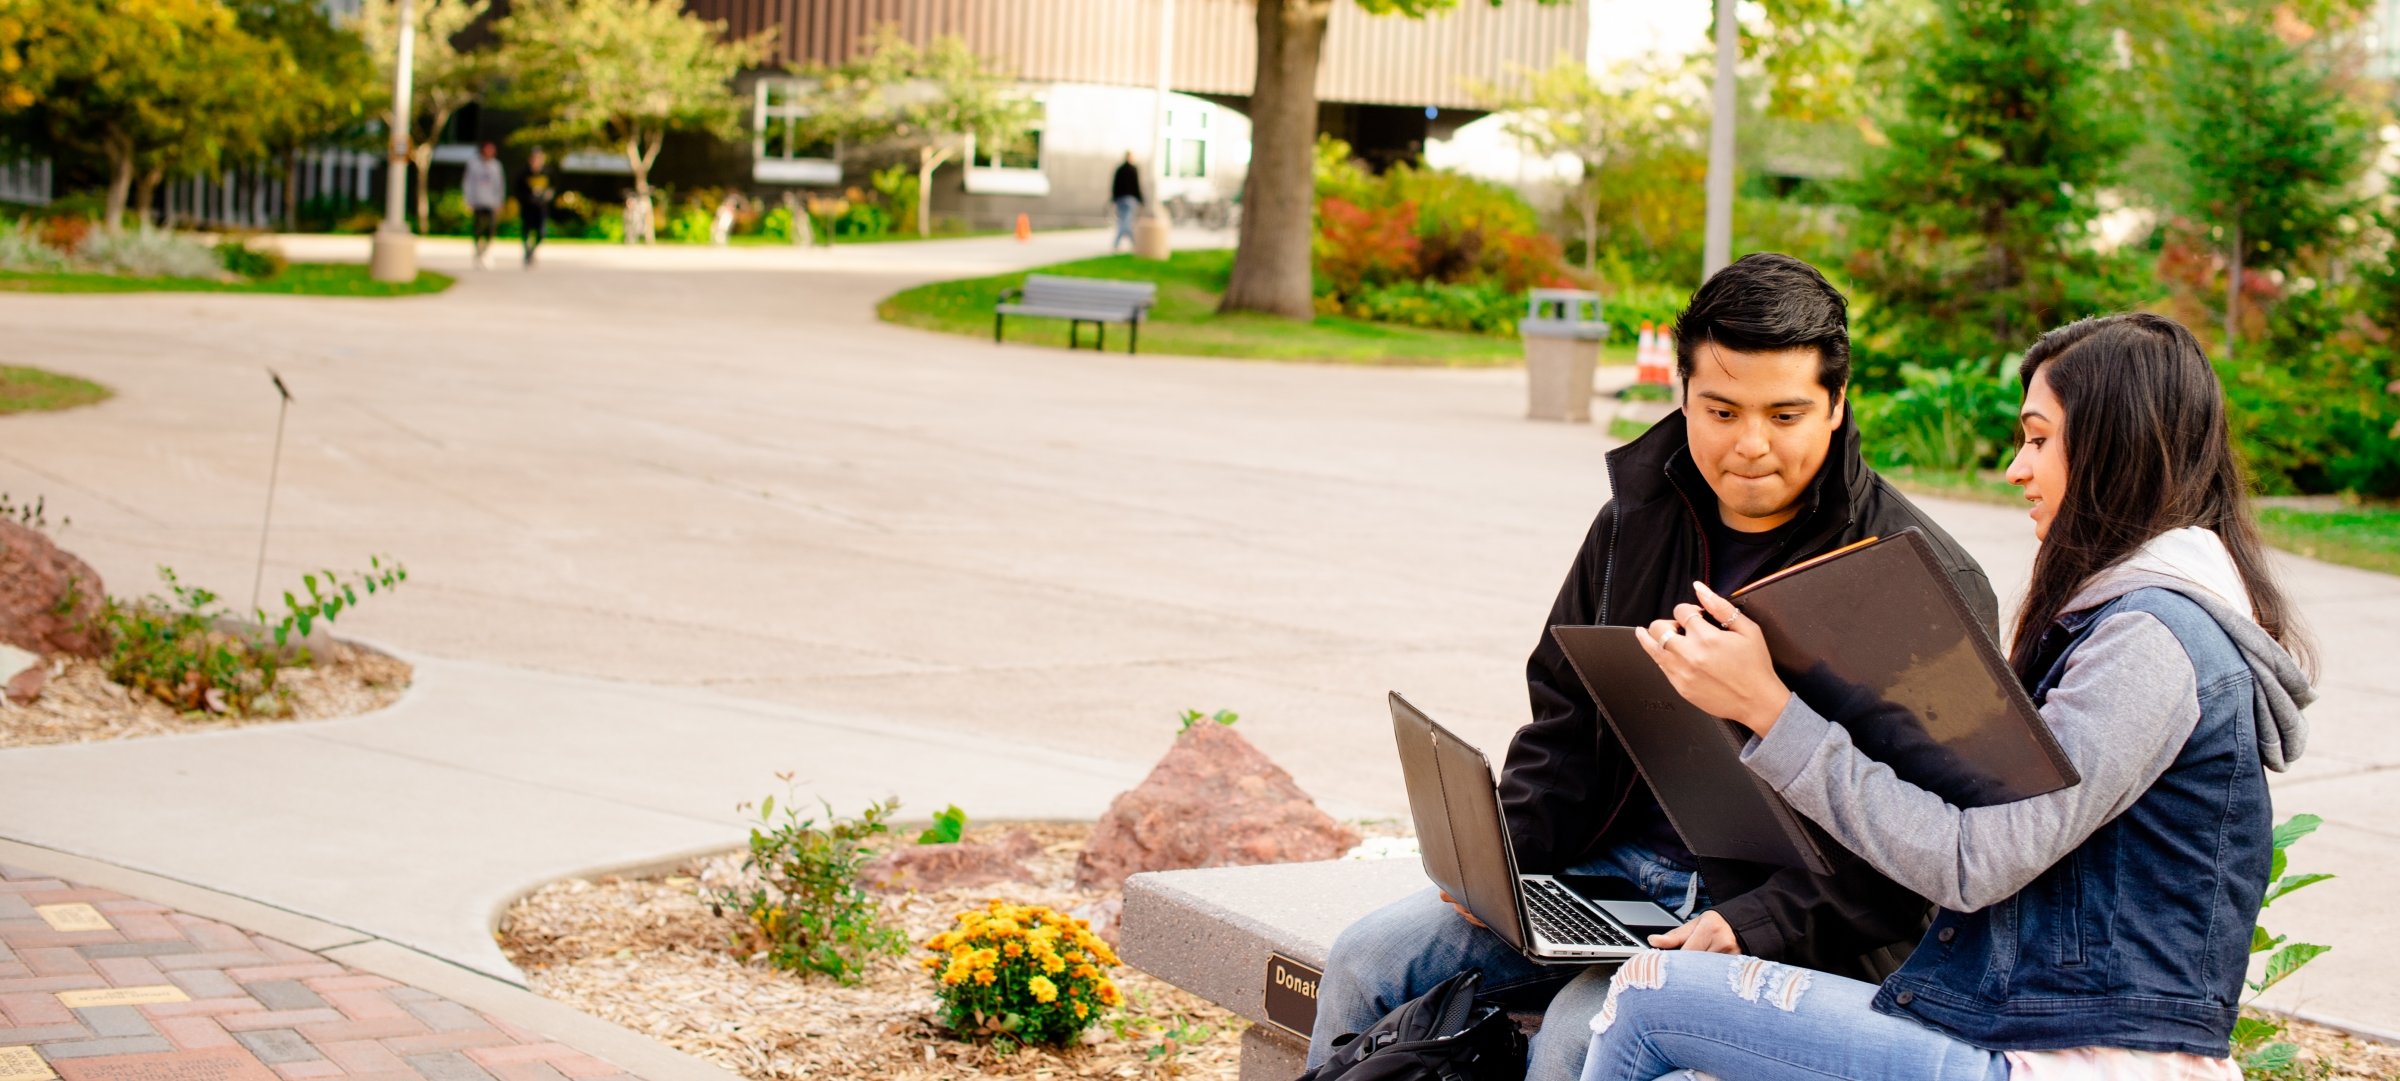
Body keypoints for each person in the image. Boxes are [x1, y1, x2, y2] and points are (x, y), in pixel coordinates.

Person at [1307, 253, 1998, 1081]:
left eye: (1785, 414)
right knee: (1365, 959)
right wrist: (1504, 862)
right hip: (1608, 871)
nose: (1750, 445)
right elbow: (1565, 709)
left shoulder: (1917, 579)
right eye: (1721, 409)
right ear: (1683, 394)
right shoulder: (1638, 516)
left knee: (1577, 1032)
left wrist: (1762, 924)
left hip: (1782, 911)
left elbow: (1936, 847)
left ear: (1838, 404)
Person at [1586, 311, 2315, 1080]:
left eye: (2038, 437)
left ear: (2114, 448)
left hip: (2078, 1059)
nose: (2016, 468)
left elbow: (1972, 861)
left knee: (1649, 998)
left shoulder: (2153, 645)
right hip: (2023, 1024)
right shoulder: (2121, 619)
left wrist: (1772, 708)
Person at [463, 143, 505, 270]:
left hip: (491, 203)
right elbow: (467, 183)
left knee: (491, 228)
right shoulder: (473, 164)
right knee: (478, 229)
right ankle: (478, 251)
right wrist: (468, 200)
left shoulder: (496, 166)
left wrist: (499, 201)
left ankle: (486, 250)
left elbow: (500, 184)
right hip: (477, 202)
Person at [516, 148, 552, 268]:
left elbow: (553, 187)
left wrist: (548, 195)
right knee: (526, 231)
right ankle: (527, 251)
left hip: (541, 208)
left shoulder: (547, 172)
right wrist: (527, 198)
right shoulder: (523, 173)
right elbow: (517, 190)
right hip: (527, 208)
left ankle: (532, 250)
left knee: (541, 232)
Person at [1109, 151, 1142, 252]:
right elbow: (1136, 186)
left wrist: (1114, 198)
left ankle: (1131, 242)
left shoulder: (1120, 169)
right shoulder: (1133, 169)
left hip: (1120, 199)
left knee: (1124, 220)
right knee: (1126, 221)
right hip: (1130, 199)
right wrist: (1140, 199)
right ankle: (1130, 242)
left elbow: (1115, 184)